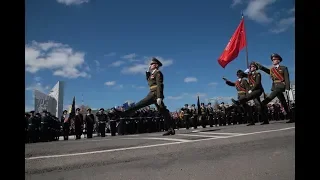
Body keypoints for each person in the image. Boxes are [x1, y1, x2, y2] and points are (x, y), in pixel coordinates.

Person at [114, 57, 175, 136]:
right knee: (164, 112)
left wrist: (159, 96)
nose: (150, 65)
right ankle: (171, 129)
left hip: (154, 94)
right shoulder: (152, 74)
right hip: (152, 93)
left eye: (152, 64)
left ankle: (125, 113)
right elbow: (148, 80)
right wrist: (147, 71)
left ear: (156, 65)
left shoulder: (158, 73)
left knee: (140, 104)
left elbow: (160, 84)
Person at [254, 53, 293, 123]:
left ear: (278, 60)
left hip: (281, 86)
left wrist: (287, 88)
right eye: (272, 60)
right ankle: (291, 117)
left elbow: (287, 78)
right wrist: (261, 67)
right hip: (275, 86)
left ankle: (263, 103)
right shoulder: (272, 70)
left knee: (271, 96)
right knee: (283, 102)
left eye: (274, 59)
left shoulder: (283, 68)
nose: (273, 61)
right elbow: (268, 71)